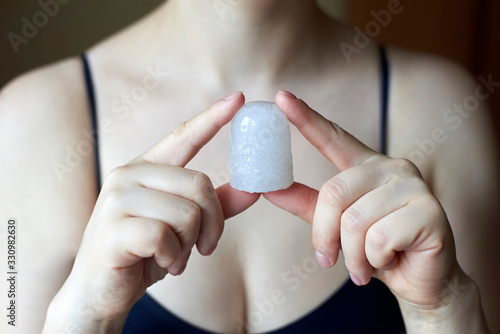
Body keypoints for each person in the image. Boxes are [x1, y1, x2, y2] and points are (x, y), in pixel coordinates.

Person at [1, 1, 498, 333]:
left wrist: (443, 308)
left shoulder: (443, 108)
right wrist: (83, 317)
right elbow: (12, 294)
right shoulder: (28, 120)